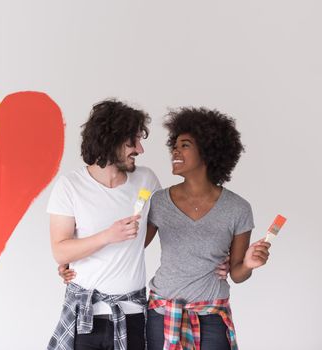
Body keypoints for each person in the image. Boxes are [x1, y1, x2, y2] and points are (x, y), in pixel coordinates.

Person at [145, 107, 271, 350]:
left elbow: (237, 273)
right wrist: (75, 261)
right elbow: (132, 247)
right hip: (162, 314)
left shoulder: (238, 208)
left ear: (207, 151)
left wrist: (249, 264)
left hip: (211, 316)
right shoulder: (158, 201)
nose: (175, 150)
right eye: (175, 145)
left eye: (185, 145)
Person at [47, 99, 161, 350]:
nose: (140, 149)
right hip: (86, 316)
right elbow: (60, 251)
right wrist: (109, 236)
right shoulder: (70, 186)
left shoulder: (146, 180)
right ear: (111, 141)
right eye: (133, 141)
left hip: (132, 314)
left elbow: (155, 227)